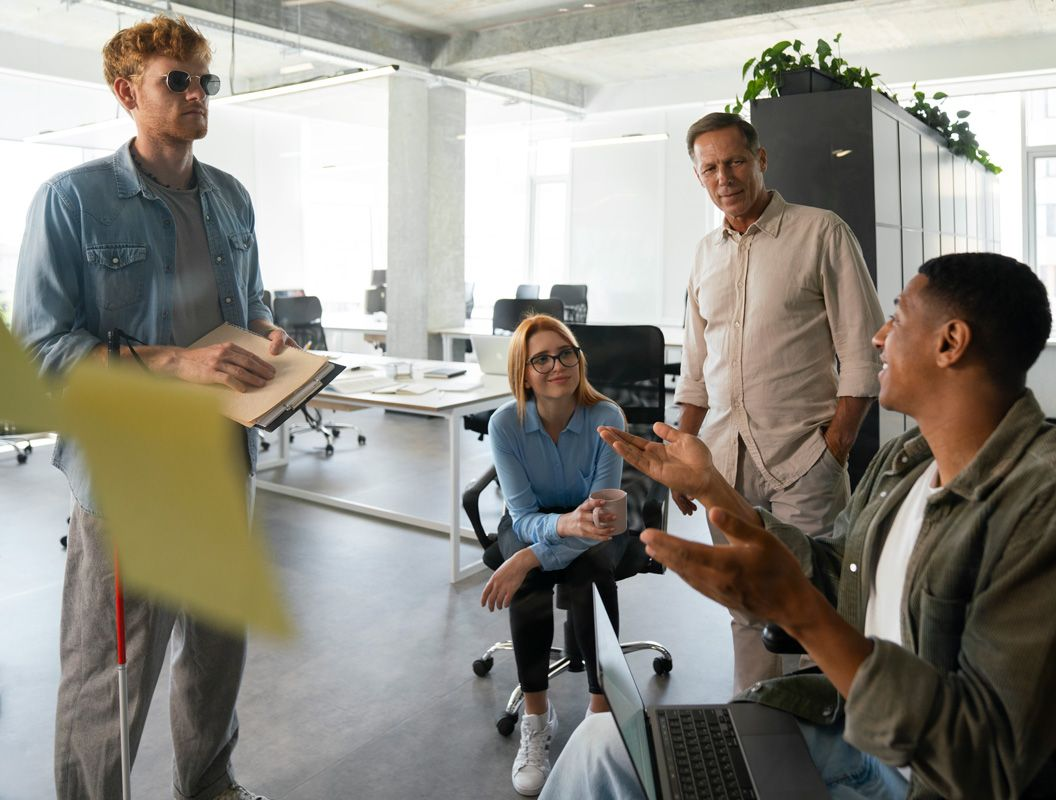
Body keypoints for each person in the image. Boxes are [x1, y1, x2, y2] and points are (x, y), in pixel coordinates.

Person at [540, 252, 1056, 799]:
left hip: (912, 780)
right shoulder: (907, 460)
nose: (879, 337)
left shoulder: (1037, 507)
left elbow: (987, 765)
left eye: (899, 318)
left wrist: (800, 613)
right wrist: (713, 487)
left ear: (950, 343)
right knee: (603, 740)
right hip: (842, 722)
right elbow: (836, 570)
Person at [13, 15, 292, 800]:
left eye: (206, 79)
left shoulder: (231, 198)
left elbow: (254, 301)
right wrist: (179, 362)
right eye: (179, 79)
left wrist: (271, 337)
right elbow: (42, 351)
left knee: (215, 652)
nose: (199, 93)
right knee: (112, 673)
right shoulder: (72, 201)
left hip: (223, 460)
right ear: (126, 92)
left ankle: (209, 785)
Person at [676, 111, 886, 691]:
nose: (726, 177)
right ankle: (755, 727)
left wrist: (835, 448)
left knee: (813, 613)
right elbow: (695, 370)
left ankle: (825, 757)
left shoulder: (822, 232)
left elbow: (862, 354)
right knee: (744, 605)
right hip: (723, 465)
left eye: (736, 161)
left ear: (761, 160)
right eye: (711, 167)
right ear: (699, 177)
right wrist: (683, 456)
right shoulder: (702, 254)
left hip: (804, 464)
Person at [480, 314, 628, 796]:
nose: (557, 366)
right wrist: (555, 531)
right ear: (523, 372)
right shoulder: (506, 424)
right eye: (540, 359)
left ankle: (601, 713)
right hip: (536, 520)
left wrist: (526, 557)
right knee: (530, 581)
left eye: (566, 354)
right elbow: (522, 517)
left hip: (593, 526)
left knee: (590, 572)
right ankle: (537, 717)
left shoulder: (607, 417)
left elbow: (602, 515)